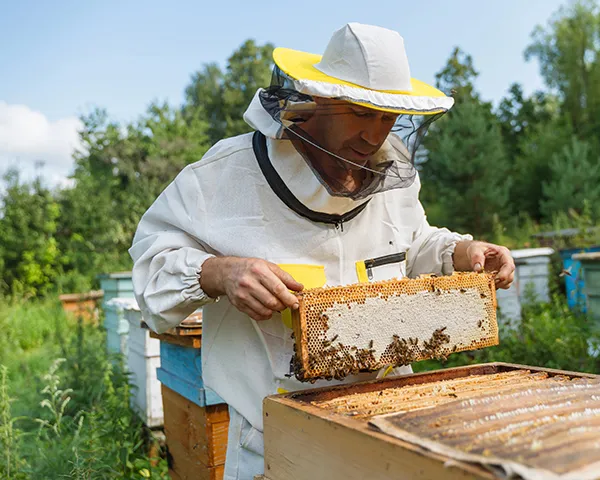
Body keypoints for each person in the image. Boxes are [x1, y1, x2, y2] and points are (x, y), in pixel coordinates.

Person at [130, 22, 515, 479]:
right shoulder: (221, 177)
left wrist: (461, 252)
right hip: (272, 445)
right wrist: (219, 272)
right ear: (319, 102)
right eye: (360, 112)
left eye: (388, 116)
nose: (375, 136)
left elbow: (410, 244)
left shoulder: (391, 171)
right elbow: (151, 273)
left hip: (388, 427)